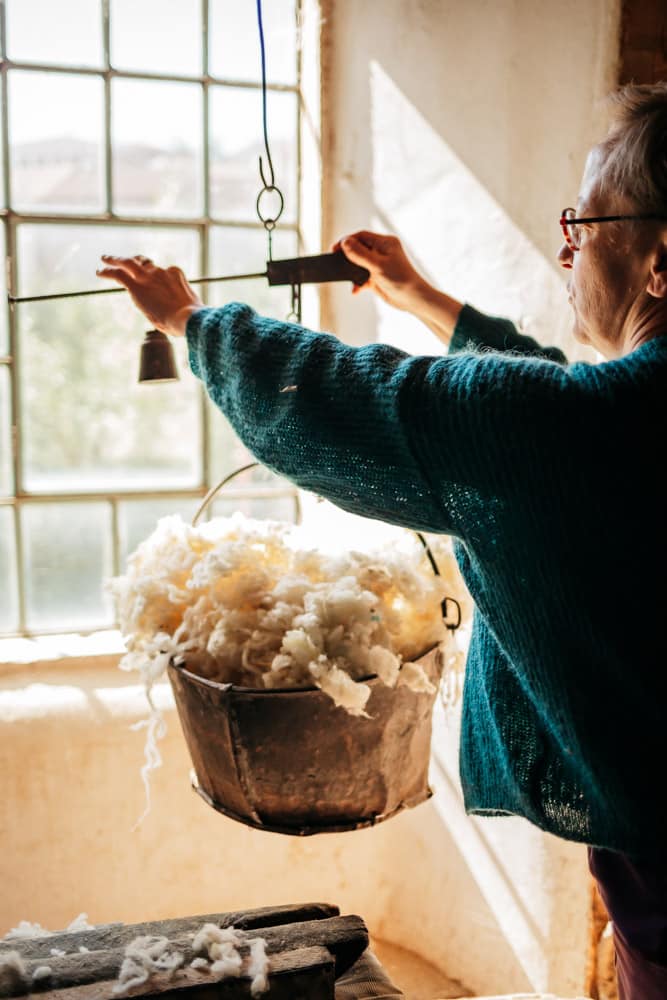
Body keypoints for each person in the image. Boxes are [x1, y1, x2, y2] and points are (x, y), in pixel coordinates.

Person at [97, 83, 667, 999]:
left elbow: (366, 399)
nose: (567, 244)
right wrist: (421, 297)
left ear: (660, 258)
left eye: (587, 221)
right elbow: (552, 403)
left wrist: (194, 325)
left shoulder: (577, 432)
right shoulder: (616, 420)